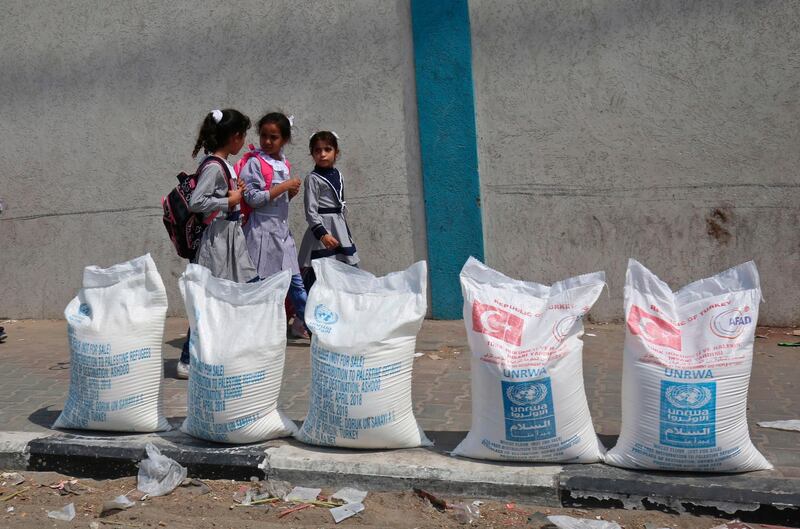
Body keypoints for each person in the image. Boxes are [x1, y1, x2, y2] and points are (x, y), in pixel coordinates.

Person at [178, 108, 255, 379]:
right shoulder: (213, 166)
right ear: (234, 137)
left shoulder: (223, 164)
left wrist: (235, 197)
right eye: (243, 135)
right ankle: (188, 358)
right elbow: (197, 202)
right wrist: (229, 201)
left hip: (228, 238)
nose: (244, 140)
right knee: (208, 297)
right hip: (216, 242)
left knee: (227, 294)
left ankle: (222, 353)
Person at [240, 112, 308, 339]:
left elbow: (280, 201)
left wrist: (290, 193)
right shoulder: (254, 163)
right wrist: (285, 186)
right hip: (261, 234)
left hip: (281, 232)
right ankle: (255, 332)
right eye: (264, 136)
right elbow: (253, 199)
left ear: (284, 139)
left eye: (274, 137)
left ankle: (312, 328)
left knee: (296, 283)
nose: (268, 142)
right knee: (261, 287)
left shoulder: (283, 164)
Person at [298, 131, 359, 292]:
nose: (322, 154)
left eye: (327, 149)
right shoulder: (313, 179)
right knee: (319, 271)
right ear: (312, 154)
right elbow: (310, 211)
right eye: (317, 150)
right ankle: (309, 310)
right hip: (322, 231)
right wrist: (323, 234)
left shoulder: (338, 175)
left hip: (339, 228)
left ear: (336, 152)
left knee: (346, 268)